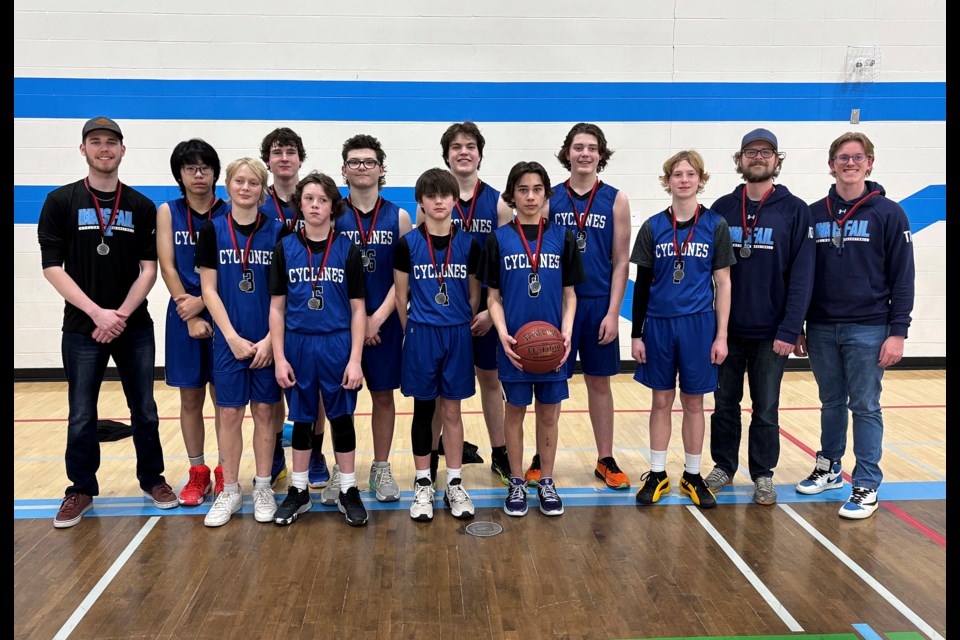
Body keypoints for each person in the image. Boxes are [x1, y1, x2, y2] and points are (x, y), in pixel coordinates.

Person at [38, 116, 178, 528]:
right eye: (95, 142)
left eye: (111, 142)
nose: (104, 149)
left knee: (146, 410)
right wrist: (97, 313)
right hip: (83, 327)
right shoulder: (59, 201)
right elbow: (52, 268)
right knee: (81, 412)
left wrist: (119, 315)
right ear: (83, 149)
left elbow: (149, 269)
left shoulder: (139, 205)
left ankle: (153, 479)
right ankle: (80, 488)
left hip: (132, 327)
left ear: (122, 150)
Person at [794, 131, 915, 520]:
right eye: (842, 158)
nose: (850, 163)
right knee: (831, 402)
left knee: (864, 405)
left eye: (857, 157)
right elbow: (799, 277)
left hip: (869, 327)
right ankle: (830, 466)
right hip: (823, 327)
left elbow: (903, 277)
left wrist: (897, 332)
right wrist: (796, 325)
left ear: (870, 163)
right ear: (831, 165)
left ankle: (865, 483)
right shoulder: (812, 214)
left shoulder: (889, 213)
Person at [704, 129, 815, 506]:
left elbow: (802, 276)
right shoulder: (721, 207)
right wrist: (710, 327)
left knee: (766, 408)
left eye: (765, 152)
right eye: (750, 151)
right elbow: (707, 272)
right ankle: (722, 465)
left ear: (777, 160)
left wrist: (790, 328)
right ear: (739, 160)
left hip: (772, 334)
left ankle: (763, 474)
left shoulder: (795, 209)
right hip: (727, 331)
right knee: (724, 405)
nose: (758, 157)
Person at [630, 150, 735, 509]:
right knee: (661, 400)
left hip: (699, 325)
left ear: (701, 180)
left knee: (694, 402)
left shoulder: (716, 225)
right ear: (668, 181)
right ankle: (658, 473)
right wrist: (637, 333)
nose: (684, 180)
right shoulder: (653, 226)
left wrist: (721, 335)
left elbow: (724, 283)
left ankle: (692, 475)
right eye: (677, 174)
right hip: (658, 325)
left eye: (691, 174)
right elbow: (642, 283)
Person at [480, 161, 584, 517]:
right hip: (515, 346)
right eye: (522, 190)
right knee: (515, 412)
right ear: (512, 195)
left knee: (550, 415)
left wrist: (567, 331)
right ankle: (516, 481)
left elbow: (571, 294)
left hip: (554, 345)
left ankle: (548, 481)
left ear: (546, 194)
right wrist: (503, 332)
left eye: (537, 189)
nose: (530, 196)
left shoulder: (561, 236)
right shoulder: (499, 239)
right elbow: (492, 296)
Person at [269, 172, 369, 527]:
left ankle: (348, 489)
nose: (315, 205)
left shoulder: (347, 249)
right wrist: (279, 357)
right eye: (309, 198)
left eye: (322, 200)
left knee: (341, 417)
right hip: (298, 344)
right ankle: (298, 491)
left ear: (333, 207)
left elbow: (359, 309)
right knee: (302, 419)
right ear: (300, 203)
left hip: (337, 343)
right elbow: (277, 308)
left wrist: (355, 359)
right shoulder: (285, 248)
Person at [195, 157, 288, 527]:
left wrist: (270, 340)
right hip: (228, 341)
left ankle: (263, 485)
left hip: (267, 341)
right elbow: (208, 290)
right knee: (229, 413)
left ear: (262, 190)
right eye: (239, 182)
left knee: (266, 413)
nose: (246, 188)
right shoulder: (212, 230)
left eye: (253, 183)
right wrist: (230, 336)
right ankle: (229, 489)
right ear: (228, 186)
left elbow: (284, 293)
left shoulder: (279, 232)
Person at [540, 122, 632, 491]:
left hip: (596, 305)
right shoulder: (550, 198)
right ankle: (542, 457)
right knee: (551, 383)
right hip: (558, 304)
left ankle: (605, 458)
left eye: (592, 148)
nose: (584, 154)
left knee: (599, 383)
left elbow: (621, 260)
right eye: (578, 147)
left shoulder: (616, 199)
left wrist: (614, 312)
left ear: (600, 155)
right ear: (567, 153)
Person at [425, 122, 515, 485]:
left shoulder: (498, 202)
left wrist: (493, 314)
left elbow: (509, 264)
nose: (464, 152)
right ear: (446, 155)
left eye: (470, 146)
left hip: (483, 313)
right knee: (437, 391)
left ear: (480, 153)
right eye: (456, 147)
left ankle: (500, 452)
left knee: (490, 381)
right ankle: (430, 457)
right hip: (443, 314)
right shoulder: (432, 201)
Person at [326, 133, 410, 506]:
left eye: (369, 162)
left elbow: (404, 276)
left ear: (381, 169)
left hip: (386, 321)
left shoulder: (400, 216)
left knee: (383, 396)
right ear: (344, 169)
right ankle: (340, 471)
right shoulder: (331, 214)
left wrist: (377, 318)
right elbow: (322, 271)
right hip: (341, 325)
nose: (362, 168)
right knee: (339, 401)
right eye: (355, 162)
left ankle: (380, 466)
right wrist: (356, 323)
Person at [394, 168, 481, 522]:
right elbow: (401, 297)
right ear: (422, 203)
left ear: (454, 199)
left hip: (457, 333)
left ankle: (455, 483)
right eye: (431, 196)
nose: (439, 201)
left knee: (453, 412)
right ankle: (422, 483)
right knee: (423, 410)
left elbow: (475, 294)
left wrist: (458, 320)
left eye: (445, 195)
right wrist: (413, 330)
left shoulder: (469, 244)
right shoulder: (408, 244)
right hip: (422, 333)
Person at [156, 138, 228, 505]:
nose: (198, 175)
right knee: (190, 398)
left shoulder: (229, 211)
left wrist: (204, 302)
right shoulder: (168, 211)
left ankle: (223, 467)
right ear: (180, 175)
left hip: (221, 310)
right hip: (182, 312)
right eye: (190, 169)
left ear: (216, 172)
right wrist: (187, 308)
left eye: (204, 168)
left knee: (223, 399)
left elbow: (231, 267)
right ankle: (197, 470)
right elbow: (167, 265)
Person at [257, 127, 330, 491]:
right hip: (267, 305)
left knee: (312, 391)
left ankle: (315, 453)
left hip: (310, 314)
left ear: (300, 158)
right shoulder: (257, 201)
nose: (284, 157)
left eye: (290, 151)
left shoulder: (315, 199)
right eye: (276, 152)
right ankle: (275, 457)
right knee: (271, 393)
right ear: (267, 160)